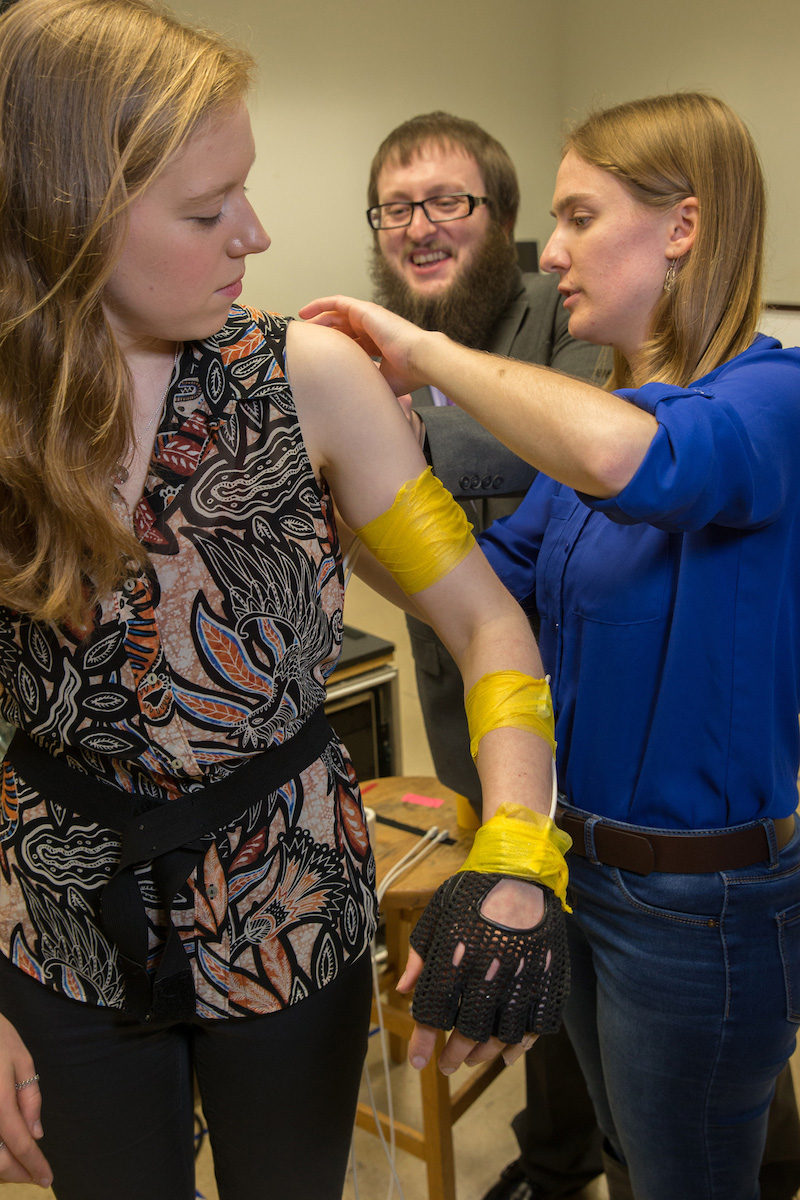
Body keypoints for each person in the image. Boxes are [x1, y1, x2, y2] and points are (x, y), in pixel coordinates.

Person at [0, 2, 571, 1197]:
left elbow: (484, 623)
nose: (252, 234)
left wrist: (516, 854)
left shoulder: (309, 379)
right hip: (52, 913)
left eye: (242, 194)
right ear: (63, 219)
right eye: (207, 212)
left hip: (287, 902)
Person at [302, 90, 800, 1200]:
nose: (553, 251)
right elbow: (487, 599)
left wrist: (418, 351)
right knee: (633, 1158)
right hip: (577, 874)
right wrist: (351, 509)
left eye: (578, 217)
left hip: (698, 910)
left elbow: (648, 466)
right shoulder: (597, 441)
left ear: (682, 226)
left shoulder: (770, 397)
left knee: (688, 1175)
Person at [367, 112, 604, 1200]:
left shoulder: (563, 314)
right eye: (395, 206)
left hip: (592, 710)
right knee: (520, 930)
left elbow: (581, 441)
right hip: (464, 709)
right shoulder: (371, 344)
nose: (419, 225)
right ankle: (555, 1156)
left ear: (499, 221)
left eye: (447, 202)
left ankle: (755, 1161)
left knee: (632, 963)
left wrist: (400, 427)